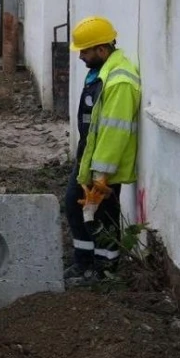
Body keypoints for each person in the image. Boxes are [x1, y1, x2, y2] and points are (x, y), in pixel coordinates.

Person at [64, 16, 141, 287]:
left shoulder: (119, 81)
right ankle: (84, 262)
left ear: (102, 49)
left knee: (103, 216)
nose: (81, 56)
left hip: (102, 166)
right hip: (90, 156)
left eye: (85, 51)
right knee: (75, 205)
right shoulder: (101, 70)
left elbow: (115, 133)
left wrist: (101, 176)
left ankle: (105, 269)